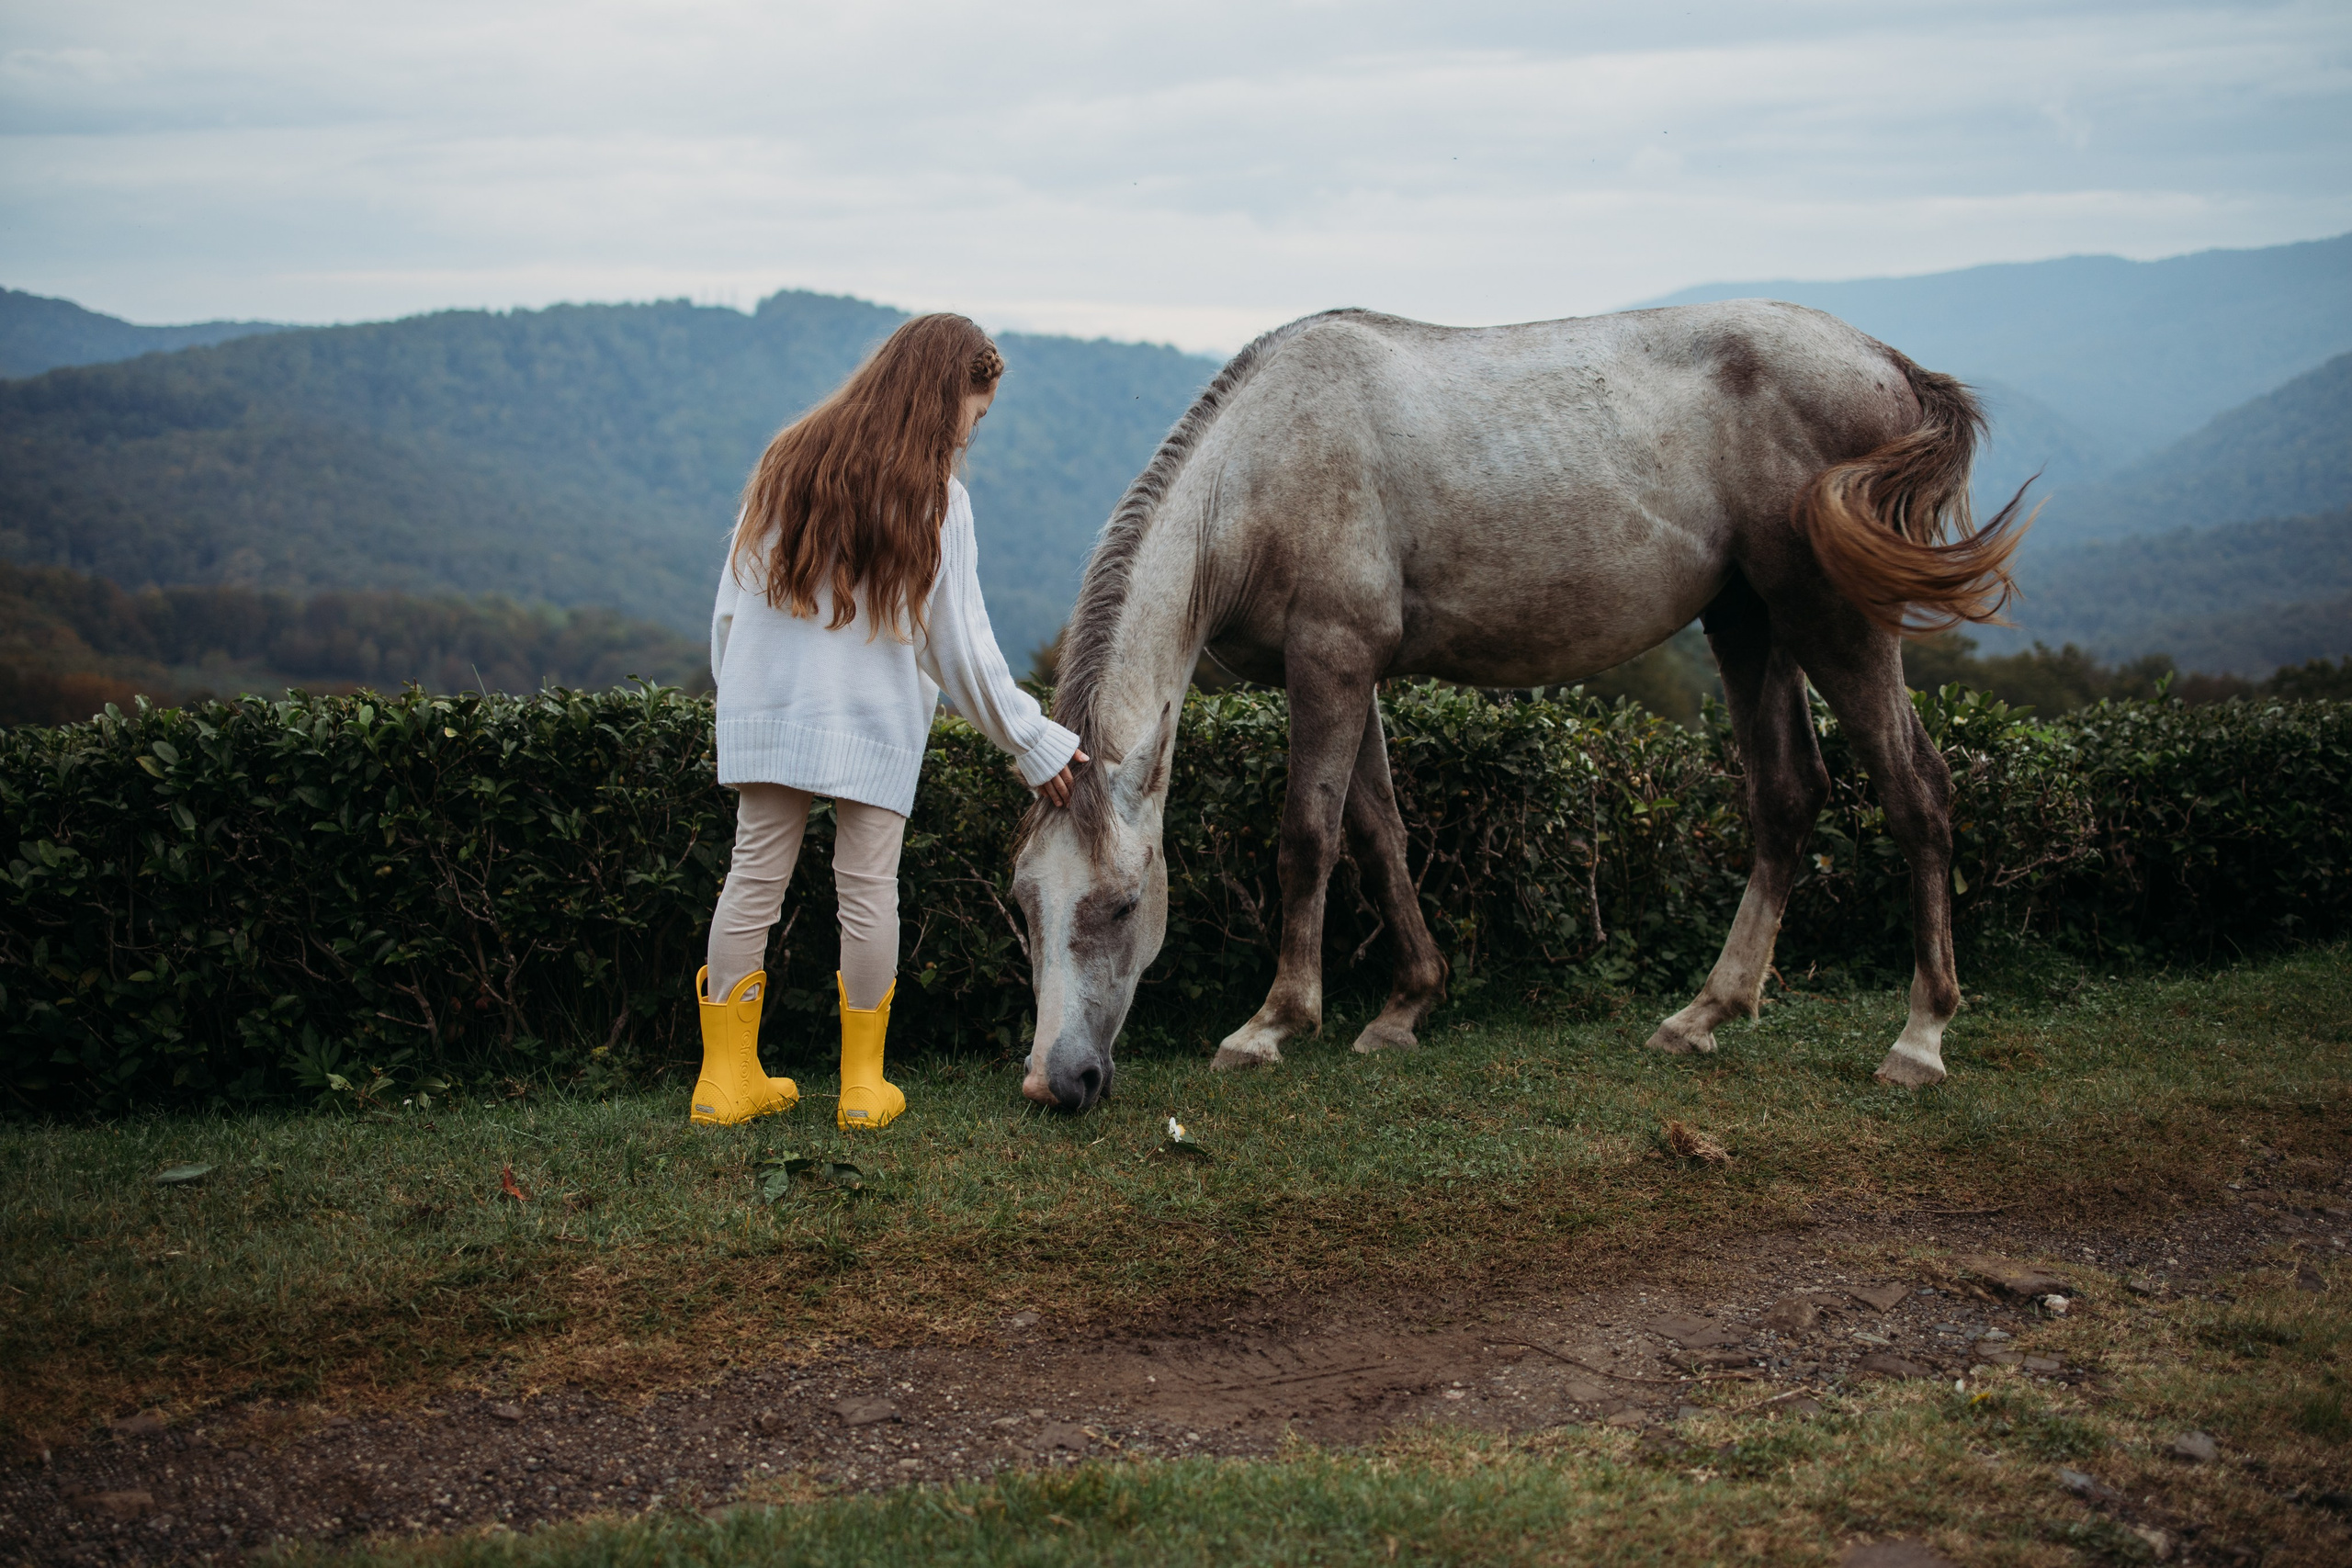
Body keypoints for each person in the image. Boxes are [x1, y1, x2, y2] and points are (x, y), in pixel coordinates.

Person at [695, 313, 1084, 1130]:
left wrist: (746, 702)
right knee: (868, 893)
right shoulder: (937, 499)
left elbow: (732, 603)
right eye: (973, 418)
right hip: (869, 725)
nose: (970, 438)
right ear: (946, 398)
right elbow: (964, 653)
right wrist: (1034, 742)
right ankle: (862, 1090)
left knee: (751, 883)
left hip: (769, 713)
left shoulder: (787, 457)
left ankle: (723, 1082)